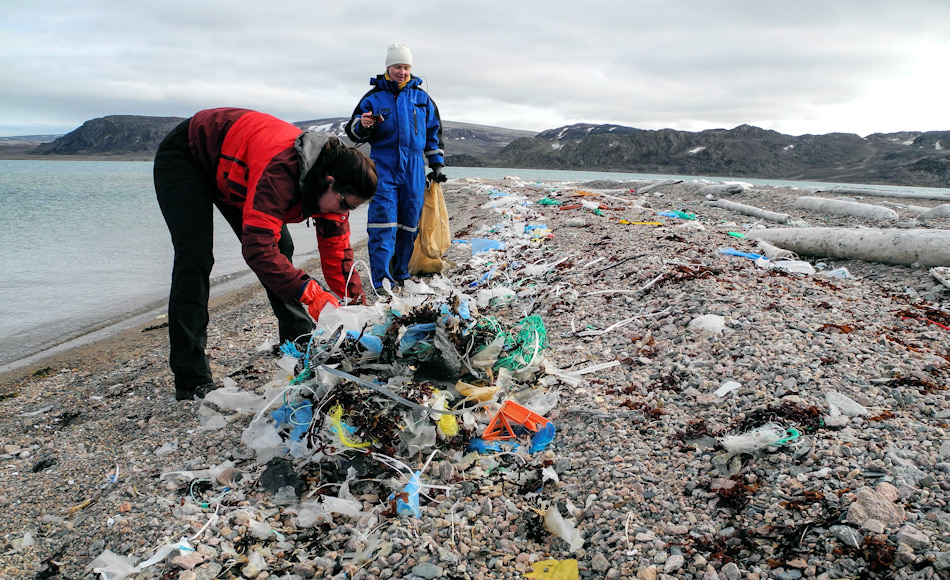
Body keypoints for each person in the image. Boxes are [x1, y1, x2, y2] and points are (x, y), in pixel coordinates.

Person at [154, 107, 377, 401]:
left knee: (282, 248)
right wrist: (310, 293)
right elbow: (258, 249)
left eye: (352, 208)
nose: (344, 213)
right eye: (344, 203)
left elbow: (338, 255)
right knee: (195, 258)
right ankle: (191, 378)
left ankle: (298, 341)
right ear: (330, 181)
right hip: (189, 155)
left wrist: (358, 310)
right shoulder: (282, 172)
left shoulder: (335, 185)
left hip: (237, 171)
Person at [345, 43, 446, 290]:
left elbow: (434, 134)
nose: (402, 71)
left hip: (413, 167)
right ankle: (381, 281)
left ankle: (401, 273)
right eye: (397, 66)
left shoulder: (422, 98)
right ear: (388, 67)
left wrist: (437, 165)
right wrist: (364, 124)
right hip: (383, 166)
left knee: (409, 224)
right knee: (383, 224)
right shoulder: (373, 97)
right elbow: (353, 132)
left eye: (406, 67)